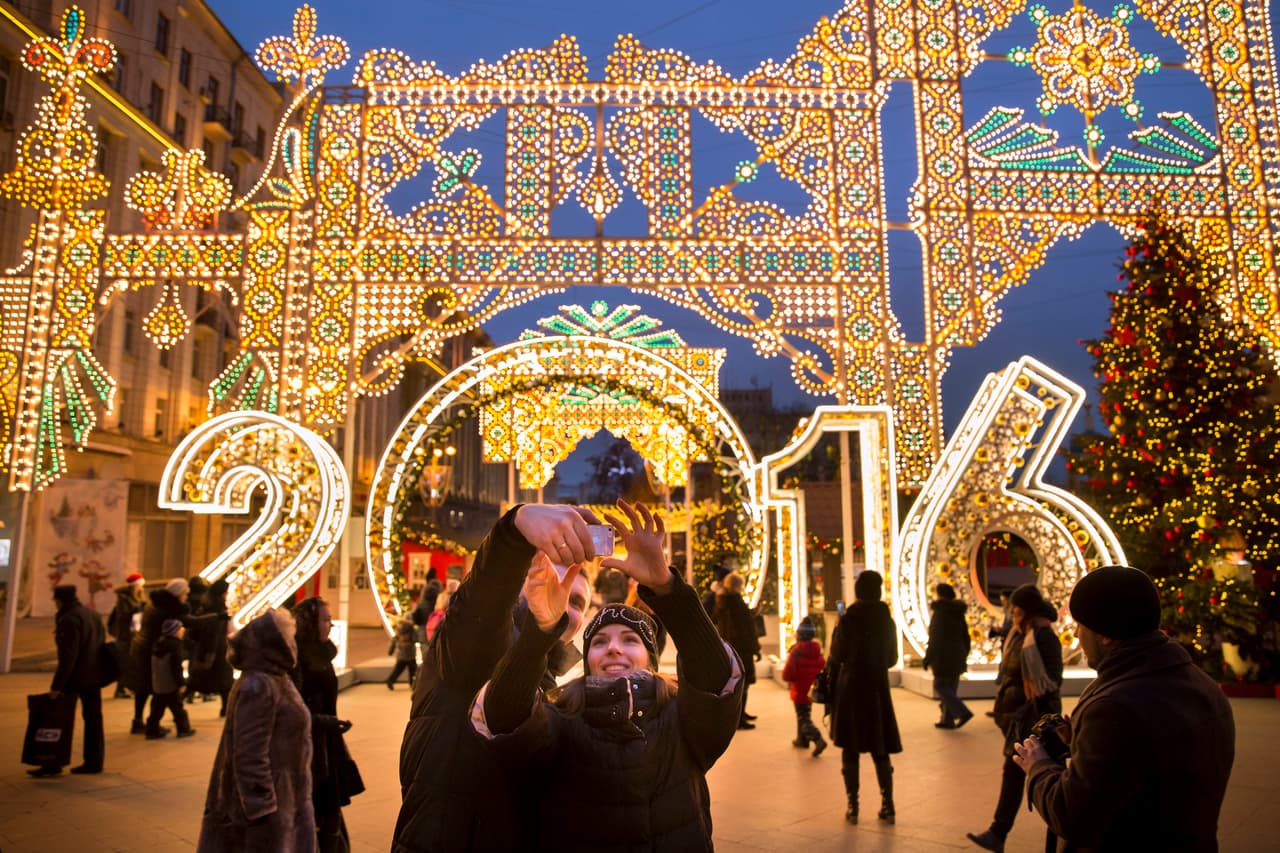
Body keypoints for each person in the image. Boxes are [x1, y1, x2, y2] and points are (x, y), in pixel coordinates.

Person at [472, 499, 743, 852]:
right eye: (600, 641)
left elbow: (717, 682)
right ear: (588, 660)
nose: (614, 648)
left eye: (630, 639)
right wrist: (540, 632)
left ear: (651, 659)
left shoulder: (681, 719)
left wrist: (666, 588)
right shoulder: (562, 716)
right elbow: (504, 720)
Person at [392, 503, 595, 852]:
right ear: (522, 586)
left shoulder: (549, 681)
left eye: (577, 602)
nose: (565, 606)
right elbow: (482, 606)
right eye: (555, 585)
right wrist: (514, 532)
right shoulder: (475, 648)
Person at [1014, 565, 1235, 851]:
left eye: (1081, 626)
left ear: (1106, 635)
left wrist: (1039, 766)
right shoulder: (1204, 686)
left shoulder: (1114, 709)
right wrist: (1080, 739)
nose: (1078, 636)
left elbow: (1074, 817)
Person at [198, 609, 315, 853]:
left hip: (287, 798)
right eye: (289, 638)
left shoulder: (276, 678)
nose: (294, 644)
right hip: (269, 813)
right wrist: (262, 808)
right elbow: (249, 753)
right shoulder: (259, 684)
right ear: (276, 644)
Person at [967, 583, 1062, 853]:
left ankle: (1006, 834)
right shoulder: (1022, 635)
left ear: (1029, 612)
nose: (1014, 616)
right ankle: (998, 833)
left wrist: (1030, 705)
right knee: (1015, 776)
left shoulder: (1043, 636)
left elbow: (1052, 679)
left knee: (1043, 781)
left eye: (1018, 611)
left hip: (1036, 722)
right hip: (1019, 720)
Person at [825, 570, 902, 825]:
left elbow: (837, 655)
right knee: (879, 745)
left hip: (851, 687)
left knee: (851, 746)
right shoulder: (886, 620)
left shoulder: (848, 619)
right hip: (877, 687)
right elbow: (892, 659)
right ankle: (888, 803)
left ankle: (853, 805)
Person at [293, 597, 364, 853]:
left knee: (329, 810)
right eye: (325, 619)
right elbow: (296, 710)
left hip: (328, 740)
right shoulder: (299, 659)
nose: (330, 624)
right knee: (322, 809)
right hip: (313, 747)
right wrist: (324, 722)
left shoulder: (321, 653)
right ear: (310, 623)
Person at [30, 585, 107, 776]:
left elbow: (68, 656)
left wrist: (57, 686)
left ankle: (52, 761)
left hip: (75, 676)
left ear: (59, 600)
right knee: (93, 719)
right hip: (93, 675)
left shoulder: (69, 619)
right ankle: (94, 761)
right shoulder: (91, 614)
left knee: (59, 719)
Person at [128, 579, 190, 734]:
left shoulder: (154, 602)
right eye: (184, 594)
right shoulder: (167, 608)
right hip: (151, 649)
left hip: (142, 646)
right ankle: (152, 725)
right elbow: (189, 621)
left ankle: (140, 721)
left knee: (145, 687)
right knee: (158, 689)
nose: (186, 597)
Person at [713, 571, 761, 729]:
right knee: (743, 684)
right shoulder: (736, 602)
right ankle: (740, 718)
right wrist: (755, 649)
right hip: (742, 649)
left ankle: (740, 714)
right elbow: (745, 628)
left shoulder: (723, 601)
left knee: (738, 683)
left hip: (731, 648)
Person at [923, 583, 973, 729]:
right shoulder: (958, 613)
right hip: (958, 654)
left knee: (940, 686)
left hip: (942, 656)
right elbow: (966, 636)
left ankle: (962, 712)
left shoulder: (940, 613)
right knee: (950, 686)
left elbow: (935, 638)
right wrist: (964, 652)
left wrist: (928, 658)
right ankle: (947, 719)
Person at [781, 616, 827, 756]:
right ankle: (802, 740)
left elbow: (788, 673)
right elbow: (822, 666)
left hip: (799, 689)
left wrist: (789, 678)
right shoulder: (817, 650)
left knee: (802, 717)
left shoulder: (796, 651)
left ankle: (817, 739)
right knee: (805, 713)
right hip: (812, 689)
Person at [186, 579, 233, 717]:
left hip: (210, 645)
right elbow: (214, 629)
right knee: (223, 679)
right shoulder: (218, 607)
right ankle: (225, 708)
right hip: (216, 646)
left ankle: (184, 697)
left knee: (200, 676)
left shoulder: (208, 603)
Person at [147, 619, 195, 739]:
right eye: (180, 629)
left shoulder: (158, 643)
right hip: (170, 683)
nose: (182, 632)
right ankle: (183, 729)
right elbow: (175, 667)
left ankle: (151, 730)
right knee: (177, 708)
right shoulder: (174, 646)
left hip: (159, 682)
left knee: (158, 707)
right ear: (174, 631)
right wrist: (180, 683)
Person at [108, 573, 145, 699]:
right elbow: (124, 616)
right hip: (126, 636)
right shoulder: (124, 599)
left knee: (133, 663)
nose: (141, 588)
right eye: (140, 586)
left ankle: (130, 687)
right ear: (134, 586)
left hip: (135, 634)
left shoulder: (137, 598)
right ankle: (121, 689)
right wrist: (137, 609)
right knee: (126, 662)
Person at [424, 578, 458, 644]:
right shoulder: (454, 597)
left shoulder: (441, 595)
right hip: (446, 623)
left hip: (437, 621)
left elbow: (437, 607)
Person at [387, 619, 418, 690]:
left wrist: (390, 652)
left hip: (401, 656)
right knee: (412, 671)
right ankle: (412, 684)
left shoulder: (398, 633)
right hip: (411, 655)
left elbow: (393, 643)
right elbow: (415, 639)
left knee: (397, 670)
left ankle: (390, 680)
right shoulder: (412, 631)